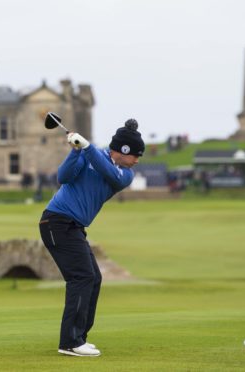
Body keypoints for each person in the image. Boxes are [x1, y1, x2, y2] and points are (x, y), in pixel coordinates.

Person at [39, 119, 145, 357]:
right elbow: (63, 177)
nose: (137, 160)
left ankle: (80, 337)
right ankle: (70, 342)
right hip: (56, 221)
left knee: (94, 278)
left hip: (73, 227)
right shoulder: (88, 154)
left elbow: (110, 174)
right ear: (123, 150)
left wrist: (87, 148)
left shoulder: (125, 174)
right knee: (82, 277)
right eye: (136, 154)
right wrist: (75, 151)